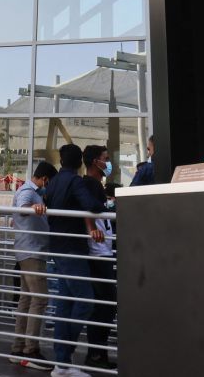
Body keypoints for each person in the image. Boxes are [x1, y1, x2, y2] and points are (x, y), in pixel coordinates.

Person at [45, 144, 106, 377]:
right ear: (80, 162)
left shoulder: (54, 183)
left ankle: (63, 363)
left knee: (65, 304)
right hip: (72, 250)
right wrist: (107, 206)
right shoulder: (75, 181)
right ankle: (64, 355)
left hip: (57, 248)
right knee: (85, 301)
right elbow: (91, 205)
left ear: (61, 161)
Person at [9, 160, 57, 370]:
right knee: (40, 299)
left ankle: (18, 348)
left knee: (26, 300)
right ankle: (31, 350)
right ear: (45, 179)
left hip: (29, 250)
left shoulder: (29, 190)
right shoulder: (28, 191)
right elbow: (22, 207)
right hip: (31, 252)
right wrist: (34, 207)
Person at [81, 146, 117, 372]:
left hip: (102, 251)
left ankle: (98, 353)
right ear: (96, 162)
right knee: (104, 305)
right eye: (106, 159)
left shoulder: (95, 185)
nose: (109, 162)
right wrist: (92, 229)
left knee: (106, 305)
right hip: (97, 253)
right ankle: (95, 354)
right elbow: (86, 209)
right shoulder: (88, 184)